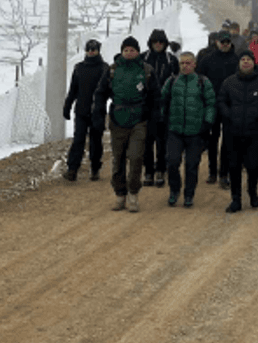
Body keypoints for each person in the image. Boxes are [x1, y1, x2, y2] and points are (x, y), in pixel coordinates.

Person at [92, 36, 162, 213]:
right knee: (118, 159)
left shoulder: (146, 70)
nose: (129, 53)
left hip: (139, 120)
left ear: (138, 52)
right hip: (117, 119)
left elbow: (156, 96)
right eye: (126, 50)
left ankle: (133, 193)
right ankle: (119, 194)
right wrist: (99, 114)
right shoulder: (112, 70)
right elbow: (100, 93)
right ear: (122, 51)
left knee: (136, 157)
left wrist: (154, 120)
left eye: (132, 50)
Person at [218, 51, 258, 213]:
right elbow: (221, 100)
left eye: (248, 59)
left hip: (254, 131)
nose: (245, 62)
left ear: (253, 62)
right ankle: (236, 199)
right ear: (239, 63)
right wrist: (228, 114)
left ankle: (252, 192)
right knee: (234, 166)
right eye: (242, 59)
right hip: (232, 132)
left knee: (253, 165)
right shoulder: (229, 82)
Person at [160, 51, 216, 208]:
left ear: (194, 64)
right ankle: (174, 190)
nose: (185, 66)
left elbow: (210, 103)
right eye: (182, 63)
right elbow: (162, 100)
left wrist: (207, 122)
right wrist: (162, 119)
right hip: (175, 130)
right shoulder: (172, 81)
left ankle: (189, 194)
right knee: (172, 162)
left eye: (188, 63)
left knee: (191, 165)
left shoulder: (202, 82)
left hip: (195, 132)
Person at [197, 30, 240, 189]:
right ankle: (212, 172)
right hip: (212, 104)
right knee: (212, 139)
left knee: (228, 140)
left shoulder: (237, 60)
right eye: (222, 42)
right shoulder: (207, 59)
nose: (225, 44)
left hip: (230, 105)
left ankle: (224, 174)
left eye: (227, 42)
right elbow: (199, 81)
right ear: (217, 42)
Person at [62, 39, 109, 181]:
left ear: (98, 50)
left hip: (98, 112)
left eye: (93, 49)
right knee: (78, 140)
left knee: (96, 141)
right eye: (88, 49)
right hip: (81, 111)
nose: (91, 52)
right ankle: (72, 170)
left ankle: (95, 169)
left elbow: (110, 90)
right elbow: (73, 90)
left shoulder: (104, 68)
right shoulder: (79, 68)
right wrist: (67, 106)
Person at [141, 29, 180, 188]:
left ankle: (161, 170)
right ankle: (148, 171)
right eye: (155, 41)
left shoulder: (171, 60)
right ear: (150, 42)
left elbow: (177, 82)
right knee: (147, 140)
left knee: (162, 140)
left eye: (161, 42)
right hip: (146, 105)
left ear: (165, 43)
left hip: (165, 105)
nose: (158, 44)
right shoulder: (143, 58)